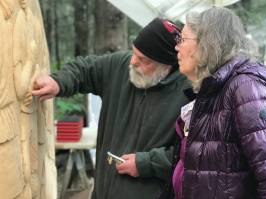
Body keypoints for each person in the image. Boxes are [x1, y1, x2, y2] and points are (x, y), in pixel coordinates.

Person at [32, 18, 189, 199]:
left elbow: (192, 157)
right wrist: (58, 82)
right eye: (134, 52)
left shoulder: (188, 93)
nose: (133, 62)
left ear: (166, 65)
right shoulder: (120, 66)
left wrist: (146, 164)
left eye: (143, 59)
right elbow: (83, 69)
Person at [171, 7, 266, 199]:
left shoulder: (246, 89)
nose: (176, 47)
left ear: (207, 42)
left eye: (182, 39)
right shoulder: (214, 89)